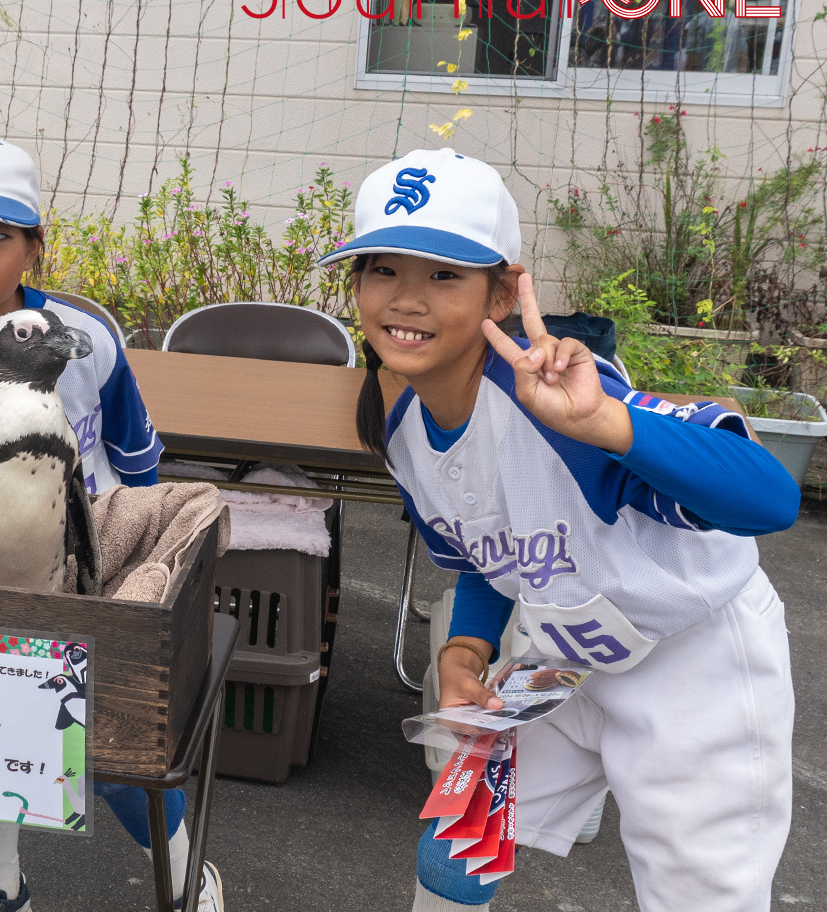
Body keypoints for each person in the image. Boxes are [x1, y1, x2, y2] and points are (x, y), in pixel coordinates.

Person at [318, 148, 798, 912]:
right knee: (457, 848)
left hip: (696, 654)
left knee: (702, 898)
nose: (406, 298)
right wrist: (465, 647)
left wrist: (611, 422)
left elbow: (772, 500)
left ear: (501, 293)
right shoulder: (403, 422)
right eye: (383, 269)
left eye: (444, 274)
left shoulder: (561, 401)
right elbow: (483, 559)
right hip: (565, 657)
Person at [0, 132, 222, 912]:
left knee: (109, 749)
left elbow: (136, 469)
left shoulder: (87, 339)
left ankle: (185, 879)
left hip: (79, 565)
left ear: (33, 249)